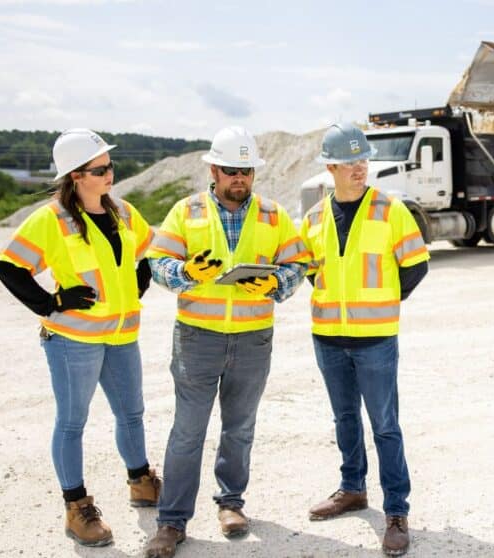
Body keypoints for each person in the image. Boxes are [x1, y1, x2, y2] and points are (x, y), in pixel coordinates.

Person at [142, 126, 311, 558]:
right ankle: (172, 522)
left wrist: (274, 283)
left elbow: (299, 264)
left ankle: (231, 504)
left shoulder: (274, 215)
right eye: (232, 170)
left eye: (248, 171)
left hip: (253, 339)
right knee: (188, 431)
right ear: (214, 170)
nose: (241, 178)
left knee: (239, 428)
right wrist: (187, 274)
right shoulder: (187, 210)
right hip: (197, 338)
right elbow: (158, 264)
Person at [0, 128, 161, 547]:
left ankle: (141, 481)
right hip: (74, 341)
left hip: (122, 336)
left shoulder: (122, 210)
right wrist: (52, 302)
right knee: (72, 422)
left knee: (132, 413)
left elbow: (148, 249)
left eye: (110, 166)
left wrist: (139, 281)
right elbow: (8, 266)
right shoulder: (51, 220)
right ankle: (77, 508)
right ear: (76, 176)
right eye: (100, 169)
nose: (110, 175)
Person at [300, 123, 429, 556]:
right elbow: (309, 270)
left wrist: (383, 302)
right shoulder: (315, 217)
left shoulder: (391, 209)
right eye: (351, 162)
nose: (360, 169)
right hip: (328, 338)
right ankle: (352, 489)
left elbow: (415, 265)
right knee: (344, 420)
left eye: (364, 160)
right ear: (331, 167)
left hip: (375, 338)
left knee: (385, 426)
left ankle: (396, 511)